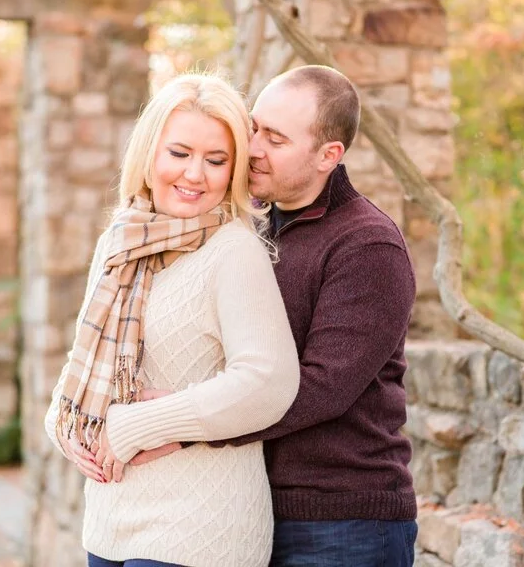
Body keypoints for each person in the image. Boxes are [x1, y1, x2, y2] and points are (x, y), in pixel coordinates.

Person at [134, 65, 419, 566]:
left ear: (328, 155)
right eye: (255, 127)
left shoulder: (367, 245)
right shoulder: (242, 225)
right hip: (245, 508)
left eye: (277, 139)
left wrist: (179, 421)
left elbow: (321, 387)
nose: (256, 147)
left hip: (340, 521)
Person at [43, 73, 301, 567]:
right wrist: (61, 421)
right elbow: (84, 355)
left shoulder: (234, 250)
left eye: (216, 160)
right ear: (150, 154)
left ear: (235, 171)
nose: (195, 174)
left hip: (201, 528)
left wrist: (134, 426)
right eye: (179, 153)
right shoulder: (120, 243)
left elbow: (268, 382)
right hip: (110, 519)